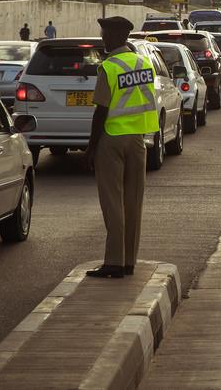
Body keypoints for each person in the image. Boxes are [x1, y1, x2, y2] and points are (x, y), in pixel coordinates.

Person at [84, 16, 159, 279]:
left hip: (112, 138)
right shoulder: (144, 63)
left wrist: (91, 148)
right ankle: (129, 261)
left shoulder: (110, 66)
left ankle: (114, 263)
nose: (103, 39)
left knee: (113, 203)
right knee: (133, 202)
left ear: (117, 37)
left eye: (105, 34)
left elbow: (101, 111)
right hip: (138, 140)